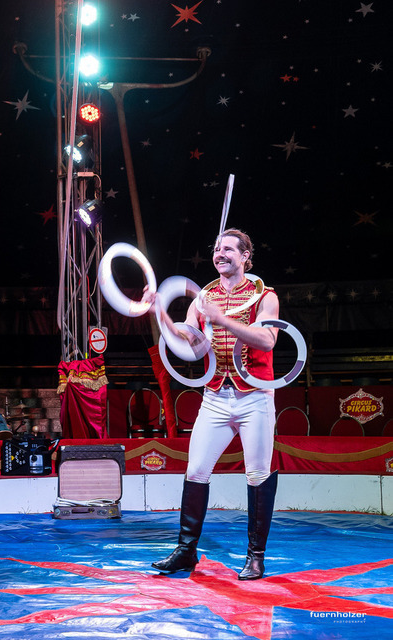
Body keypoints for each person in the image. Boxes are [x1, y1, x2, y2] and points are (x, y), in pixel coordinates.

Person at [149, 228, 279, 580]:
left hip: (255, 396)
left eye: (228, 249)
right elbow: (186, 342)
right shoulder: (203, 299)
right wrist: (160, 312)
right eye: (217, 249)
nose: (220, 254)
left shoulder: (265, 296)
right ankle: (186, 551)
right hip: (216, 396)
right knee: (195, 471)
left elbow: (267, 340)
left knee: (257, 474)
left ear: (245, 257)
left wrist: (222, 319)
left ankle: (255, 557)